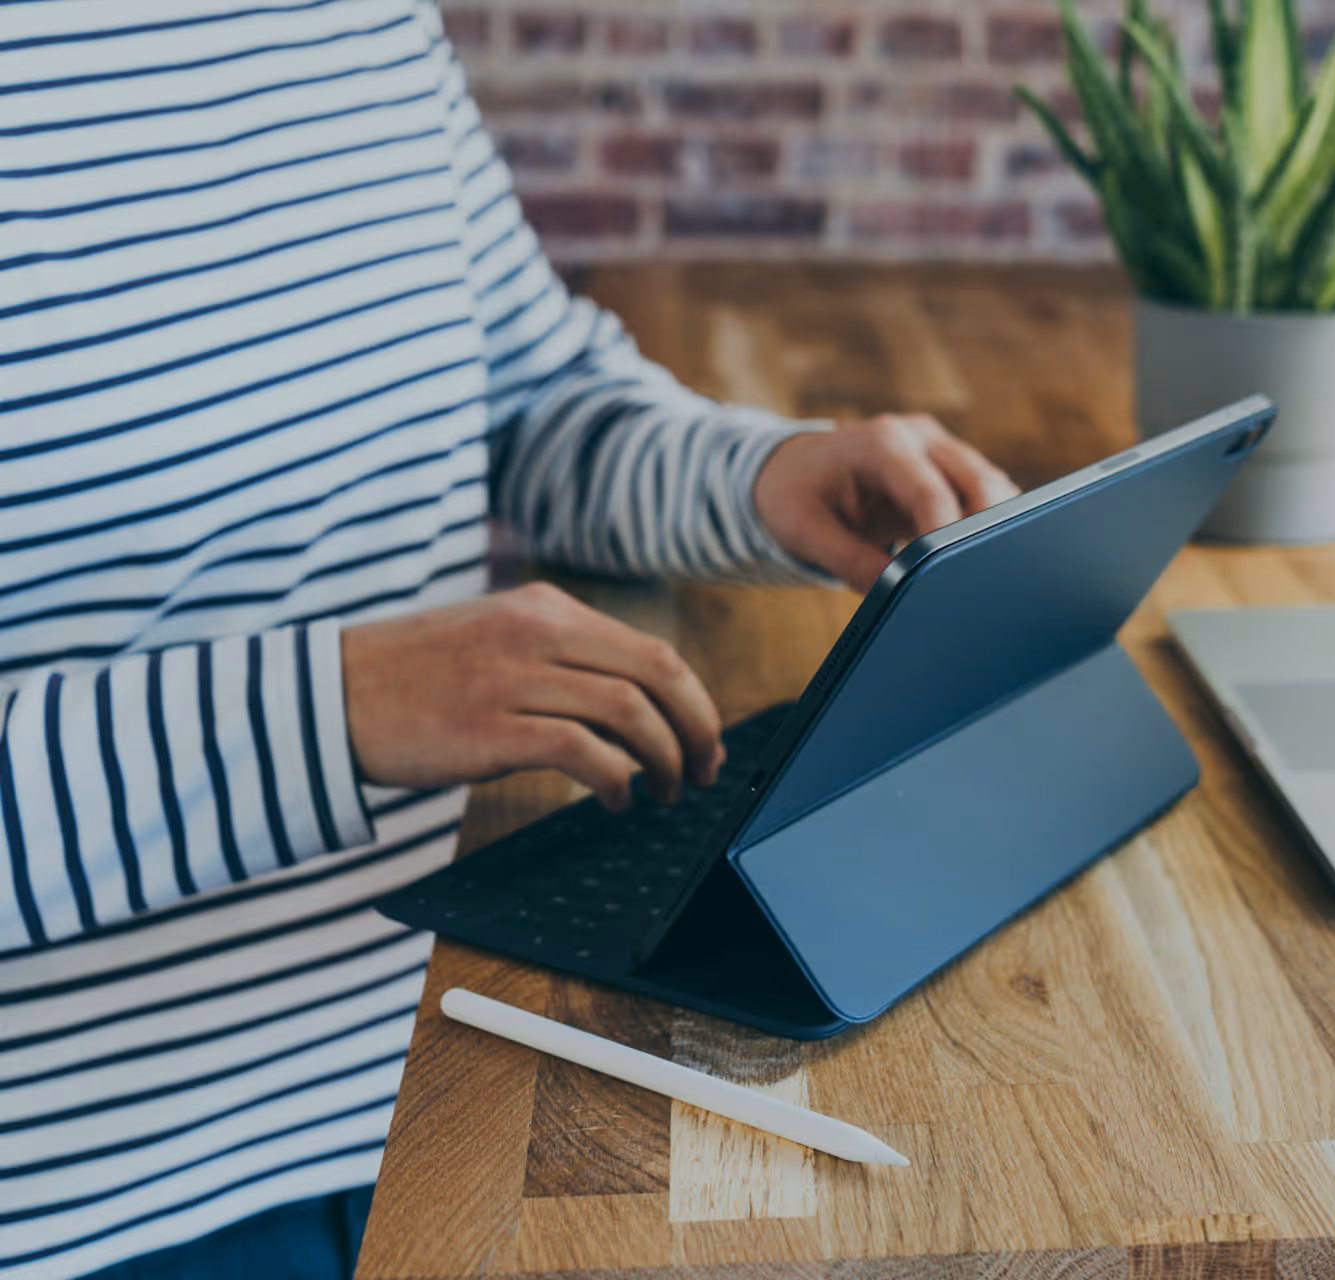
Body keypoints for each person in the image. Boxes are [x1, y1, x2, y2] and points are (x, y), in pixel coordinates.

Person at [0, 3, 1018, 1277]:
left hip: (455, 1066)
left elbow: (526, 392)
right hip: (97, 1204)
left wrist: (761, 477)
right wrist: (333, 709)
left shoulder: (350, 22)